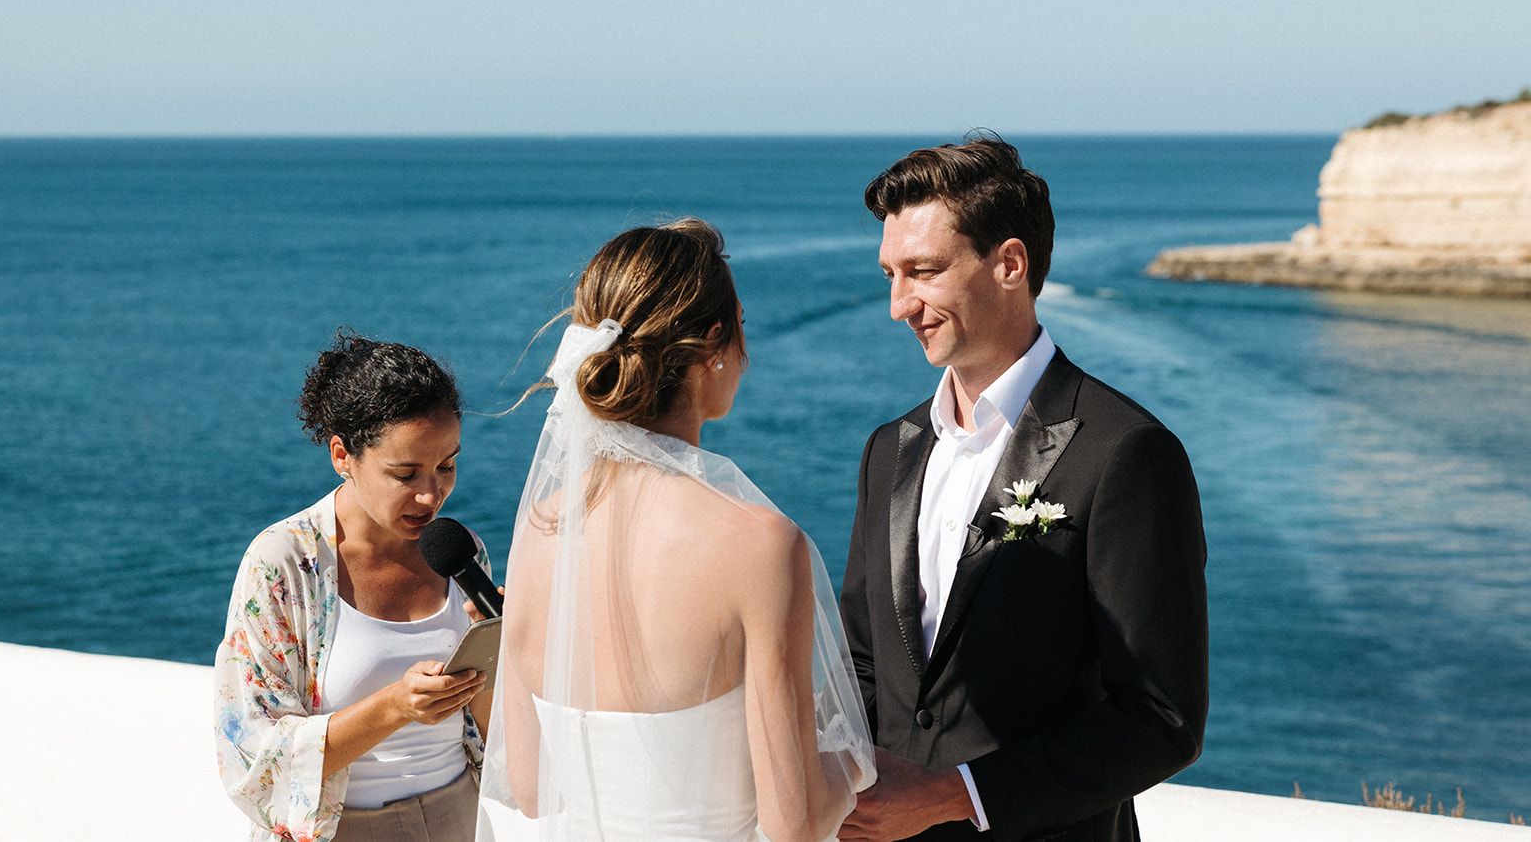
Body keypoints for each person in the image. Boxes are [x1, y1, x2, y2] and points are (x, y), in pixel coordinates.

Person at [838, 137, 1208, 842]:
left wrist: (955, 795)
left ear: (1009, 263)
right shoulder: (888, 450)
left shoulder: (1125, 450)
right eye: (890, 273)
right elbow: (863, 663)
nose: (897, 304)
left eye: (922, 271)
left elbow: (1162, 716)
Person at [475, 219, 877, 842]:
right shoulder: (759, 544)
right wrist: (854, 762)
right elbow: (794, 822)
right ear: (716, 340)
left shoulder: (541, 525)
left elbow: (530, 788)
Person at [215, 330, 493, 842]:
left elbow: (493, 727)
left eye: (447, 465)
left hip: (460, 817)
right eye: (405, 473)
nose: (431, 495)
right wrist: (394, 707)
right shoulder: (282, 565)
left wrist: (498, 656)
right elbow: (253, 757)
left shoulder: (462, 550)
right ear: (343, 455)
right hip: (340, 830)